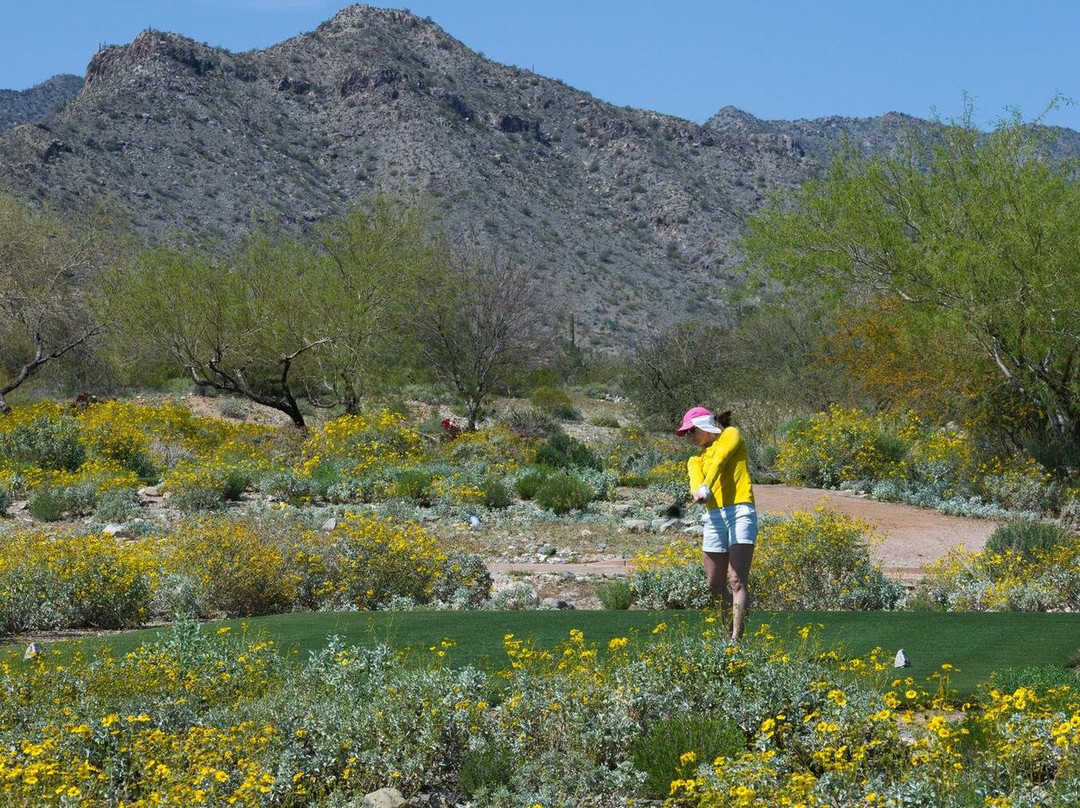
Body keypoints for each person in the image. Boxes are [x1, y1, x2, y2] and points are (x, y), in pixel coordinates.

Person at [676, 406, 757, 640]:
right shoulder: (694, 460)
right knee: (714, 583)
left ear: (704, 425)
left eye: (691, 431)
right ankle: (728, 633)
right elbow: (696, 482)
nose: (689, 438)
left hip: (740, 510)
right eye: (686, 434)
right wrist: (698, 491)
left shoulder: (731, 434)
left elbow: (720, 461)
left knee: (736, 579)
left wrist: (706, 486)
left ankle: (736, 641)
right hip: (714, 517)